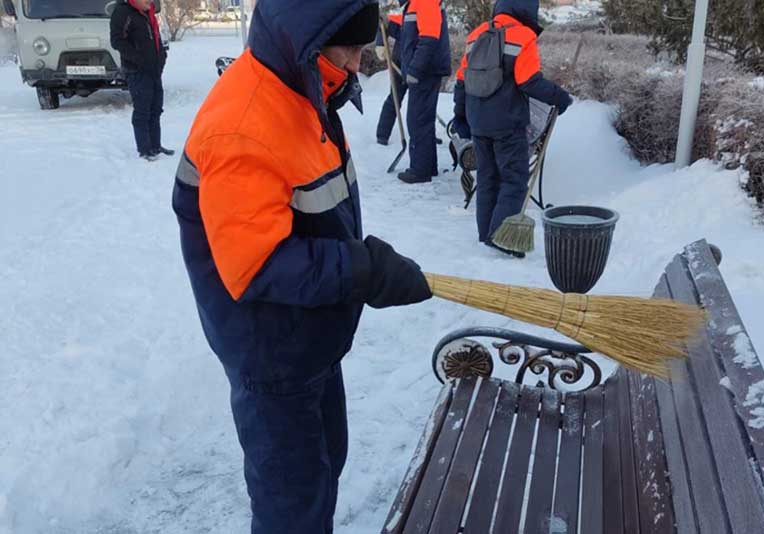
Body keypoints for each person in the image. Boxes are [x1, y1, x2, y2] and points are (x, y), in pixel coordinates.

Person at [171, 1, 432, 532]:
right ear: (310, 38)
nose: (358, 66)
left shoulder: (300, 85)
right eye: (351, 51)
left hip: (308, 335)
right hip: (271, 352)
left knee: (324, 464)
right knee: (293, 508)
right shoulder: (243, 126)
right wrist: (360, 269)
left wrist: (357, 267)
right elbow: (256, 264)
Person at [453, 0, 572, 257]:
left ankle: (485, 234)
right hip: (506, 122)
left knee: (486, 178)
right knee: (514, 180)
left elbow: (461, 80)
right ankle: (502, 238)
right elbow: (529, 81)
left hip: (478, 121)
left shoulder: (477, 34)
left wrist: (460, 115)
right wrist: (560, 97)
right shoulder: (523, 36)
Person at [110, 0, 173, 161]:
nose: (150, 1)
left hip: (153, 70)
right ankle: (144, 149)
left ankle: (155, 145)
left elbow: (157, 40)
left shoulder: (147, 13)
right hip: (137, 71)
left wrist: (161, 58)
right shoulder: (123, 12)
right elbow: (117, 41)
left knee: (156, 109)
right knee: (142, 111)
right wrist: (139, 59)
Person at [396, 0, 451, 184]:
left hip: (425, 72)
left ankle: (420, 170)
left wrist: (414, 70)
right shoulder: (414, 4)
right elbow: (412, 37)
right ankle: (427, 166)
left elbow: (429, 38)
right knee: (422, 119)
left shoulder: (425, 2)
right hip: (426, 70)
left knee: (417, 119)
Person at [374, 8, 406, 146]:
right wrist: (380, 44)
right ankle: (382, 134)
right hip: (401, 61)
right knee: (395, 97)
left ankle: (426, 137)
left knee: (422, 104)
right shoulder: (407, 13)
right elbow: (383, 23)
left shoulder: (430, 13)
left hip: (422, 64)